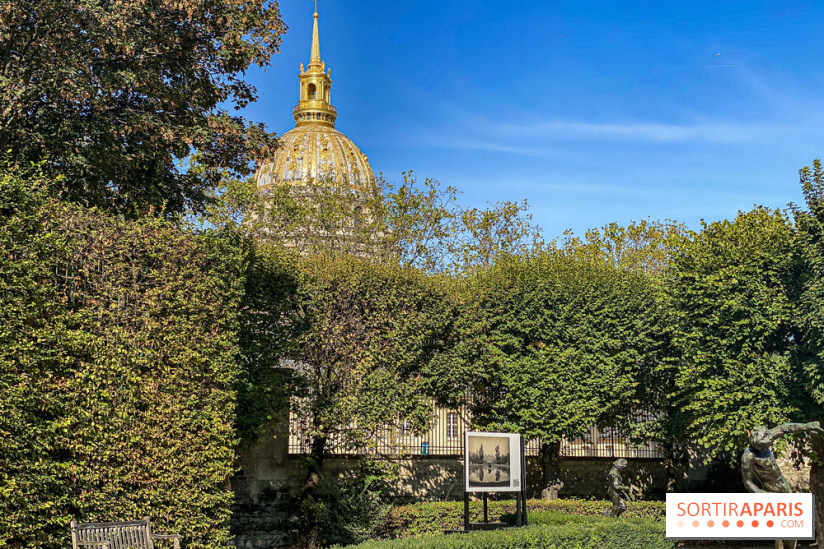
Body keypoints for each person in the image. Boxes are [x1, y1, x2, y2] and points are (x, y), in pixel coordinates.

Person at [741, 421, 823, 549]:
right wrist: (763, 495)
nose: (766, 448)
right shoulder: (749, 456)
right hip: (772, 493)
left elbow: (787, 428)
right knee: (789, 530)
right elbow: (747, 482)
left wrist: (806, 426)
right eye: (763, 447)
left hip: (786, 489)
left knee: (786, 531)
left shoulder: (766, 435)